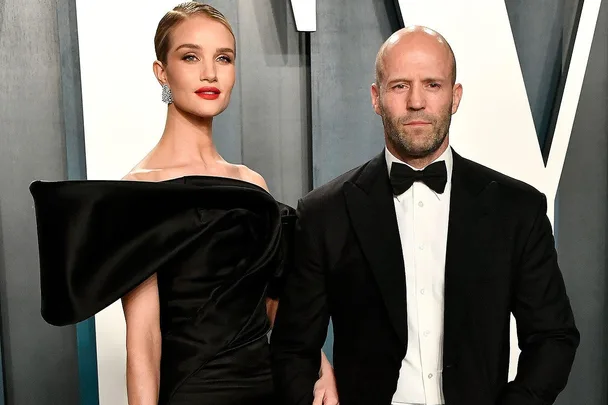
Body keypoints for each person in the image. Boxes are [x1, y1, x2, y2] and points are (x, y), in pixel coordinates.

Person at [29, 3, 337, 405]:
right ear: (162, 72)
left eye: (223, 58)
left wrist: (322, 368)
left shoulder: (251, 183)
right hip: (195, 393)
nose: (210, 72)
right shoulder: (140, 192)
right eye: (190, 56)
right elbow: (143, 343)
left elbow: (276, 304)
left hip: (271, 388)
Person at [270, 26, 579, 405]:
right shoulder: (324, 213)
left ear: (455, 96)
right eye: (400, 86)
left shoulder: (518, 209)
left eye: (432, 84)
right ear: (376, 97)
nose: (416, 101)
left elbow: (553, 337)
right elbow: (292, 348)